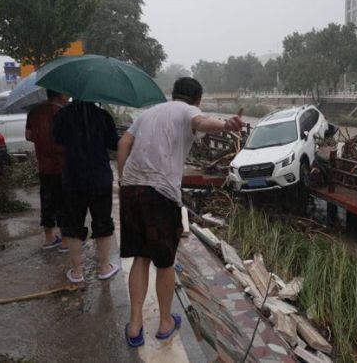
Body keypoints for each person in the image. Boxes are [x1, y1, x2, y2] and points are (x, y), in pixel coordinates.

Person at [117, 77, 243, 346]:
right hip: (159, 194)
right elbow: (200, 123)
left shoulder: (148, 113)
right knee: (164, 262)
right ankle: (164, 322)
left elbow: (123, 144)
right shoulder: (188, 111)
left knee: (140, 257)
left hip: (131, 190)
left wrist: (122, 180)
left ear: (174, 94)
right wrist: (225, 124)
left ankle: (134, 325)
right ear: (197, 99)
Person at [53, 100, 121, 283]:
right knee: (102, 221)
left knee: (73, 225)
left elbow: (58, 140)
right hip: (100, 178)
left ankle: (77, 272)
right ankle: (105, 267)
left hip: (73, 178)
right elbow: (114, 144)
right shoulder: (103, 115)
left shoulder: (62, 115)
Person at [25, 89, 69, 250]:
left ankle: (49, 238)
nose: (68, 96)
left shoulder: (34, 112)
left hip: (44, 165)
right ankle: (66, 240)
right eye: (66, 94)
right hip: (64, 165)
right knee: (65, 202)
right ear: (60, 94)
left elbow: (28, 136)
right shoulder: (64, 113)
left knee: (47, 200)